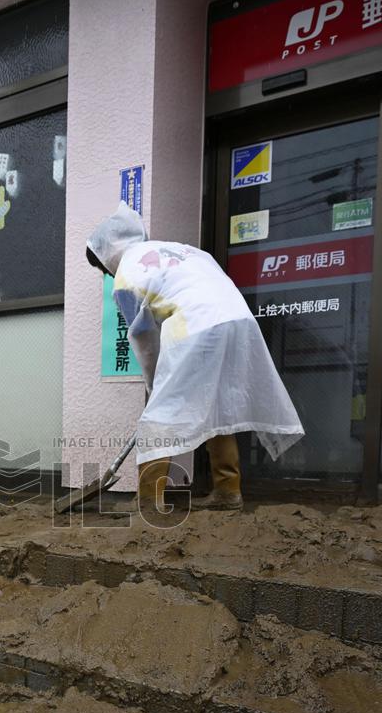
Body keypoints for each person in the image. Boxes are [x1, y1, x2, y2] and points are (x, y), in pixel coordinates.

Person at [86, 202, 304, 513]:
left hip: (196, 324)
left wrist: (155, 386)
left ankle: (148, 500)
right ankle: (228, 490)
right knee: (220, 403)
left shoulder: (125, 277)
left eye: (102, 269)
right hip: (239, 321)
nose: (106, 274)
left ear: (107, 254)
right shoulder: (182, 250)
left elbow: (145, 339)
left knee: (160, 415)